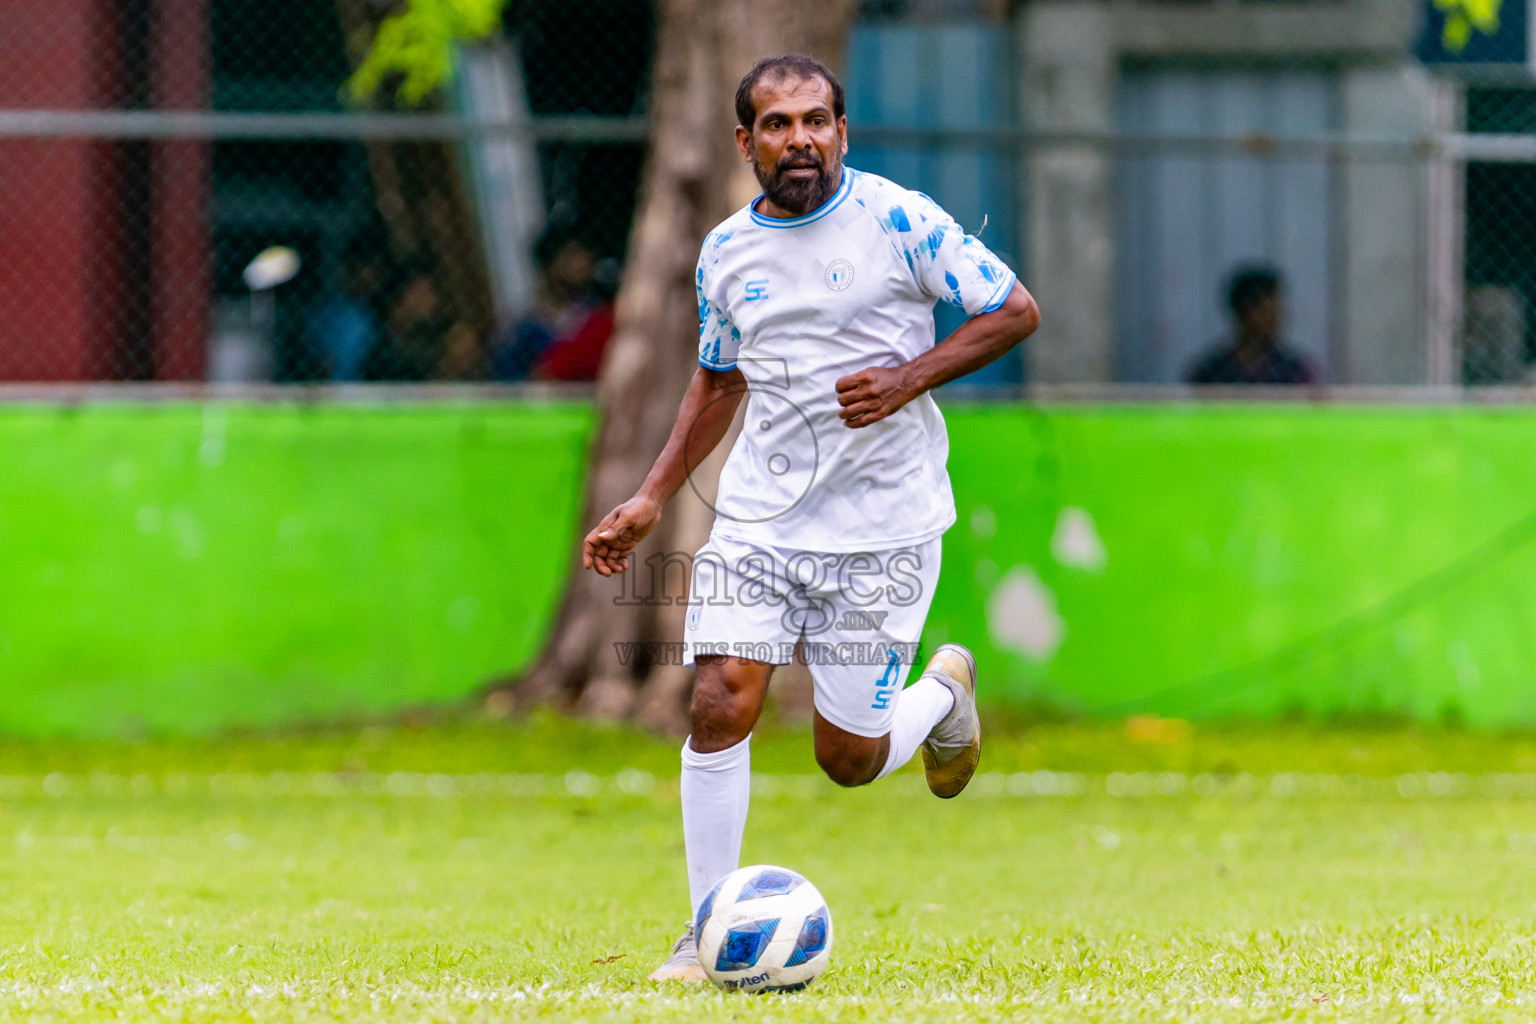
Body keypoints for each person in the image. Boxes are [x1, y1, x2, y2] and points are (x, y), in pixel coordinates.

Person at [578, 54, 1040, 982]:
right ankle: (708, 929)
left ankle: (945, 693)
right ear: (745, 142)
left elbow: (1013, 309)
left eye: (818, 121)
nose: (802, 141)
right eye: (779, 125)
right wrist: (652, 496)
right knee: (717, 701)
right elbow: (718, 378)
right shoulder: (724, 251)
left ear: (841, 130)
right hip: (761, 522)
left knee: (850, 759)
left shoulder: (900, 220)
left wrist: (909, 377)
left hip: (885, 527)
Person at [1186, 265, 1317, 385]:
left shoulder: (1294, 370)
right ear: (1243, 313)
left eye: (1278, 311)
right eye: (1268, 311)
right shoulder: (1211, 372)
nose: (1278, 319)